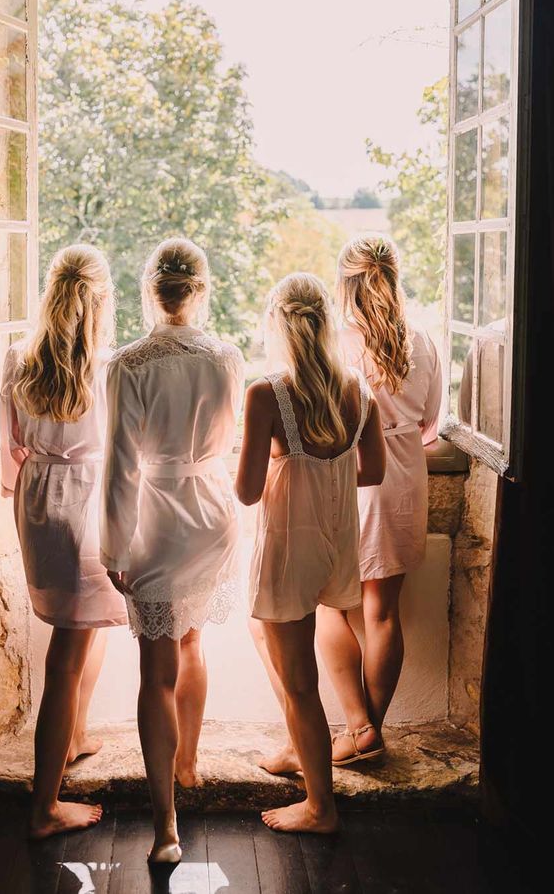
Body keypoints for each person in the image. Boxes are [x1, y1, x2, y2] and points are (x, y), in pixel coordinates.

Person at [101, 237, 244, 864]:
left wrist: (112, 546)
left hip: (160, 515)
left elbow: (120, 467)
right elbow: (230, 434)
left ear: (151, 292)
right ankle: (186, 765)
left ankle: (166, 828)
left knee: (155, 672)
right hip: (212, 513)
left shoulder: (129, 365)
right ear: (200, 290)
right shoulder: (227, 356)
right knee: (191, 642)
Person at [236, 272, 385, 834]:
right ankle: (302, 744)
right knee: (267, 640)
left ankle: (321, 806)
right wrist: (325, 468)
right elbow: (371, 471)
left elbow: (247, 491)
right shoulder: (357, 392)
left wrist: (283, 463)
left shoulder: (266, 393)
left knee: (299, 679)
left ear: (278, 325)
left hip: (288, 549)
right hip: (335, 544)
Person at [0, 244, 127, 839]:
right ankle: (43, 806)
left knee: (85, 623)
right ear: (101, 299)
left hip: (38, 499)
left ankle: (74, 734)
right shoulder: (107, 366)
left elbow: (11, 455)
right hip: (87, 498)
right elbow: (124, 447)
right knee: (65, 654)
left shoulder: (17, 359)